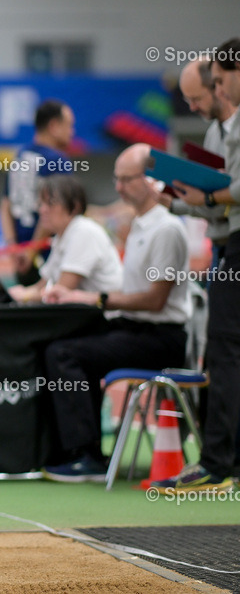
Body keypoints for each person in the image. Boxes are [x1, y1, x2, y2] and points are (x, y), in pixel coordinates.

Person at [41, 144, 191, 482]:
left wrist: (96, 298)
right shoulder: (138, 226)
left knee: (65, 354)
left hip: (159, 338)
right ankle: (78, 449)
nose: (118, 187)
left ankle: (88, 455)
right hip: (134, 327)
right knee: (65, 346)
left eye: (126, 180)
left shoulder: (166, 229)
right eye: (116, 179)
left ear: (150, 180)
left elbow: (155, 301)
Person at [153, 36, 240, 493]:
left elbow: (232, 193)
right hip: (227, 246)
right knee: (223, 353)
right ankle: (225, 459)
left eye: (202, 93)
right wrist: (180, 200)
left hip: (235, 248)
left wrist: (205, 196)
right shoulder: (215, 133)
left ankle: (217, 464)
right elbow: (218, 206)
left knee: (224, 352)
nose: (195, 103)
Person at [159, 57, 235, 270]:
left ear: (218, 88)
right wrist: (173, 203)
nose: (192, 107)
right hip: (220, 247)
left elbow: (219, 201)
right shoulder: (213, 133)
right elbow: (212, 205)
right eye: (187, 100)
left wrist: (210, 196)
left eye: (197, 99)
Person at [8, 175, 122, 304]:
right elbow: (43, 285)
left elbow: (60, 292)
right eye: (41, 203)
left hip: (105, 319)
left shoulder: (83, 231)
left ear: (74, 206)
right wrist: (15, 292)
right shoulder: (61, 236)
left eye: (50, 203)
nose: (42, 210)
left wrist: (24, 295)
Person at [0, 99, 77, 285]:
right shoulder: (57, 161)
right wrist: (31, 252)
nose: (72, 132)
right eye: (69, 125)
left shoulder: (20, 155)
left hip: (20, 258)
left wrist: (13, 248)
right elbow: (55, 209)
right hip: (47, 257)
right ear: (53, 125)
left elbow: (5, 205)